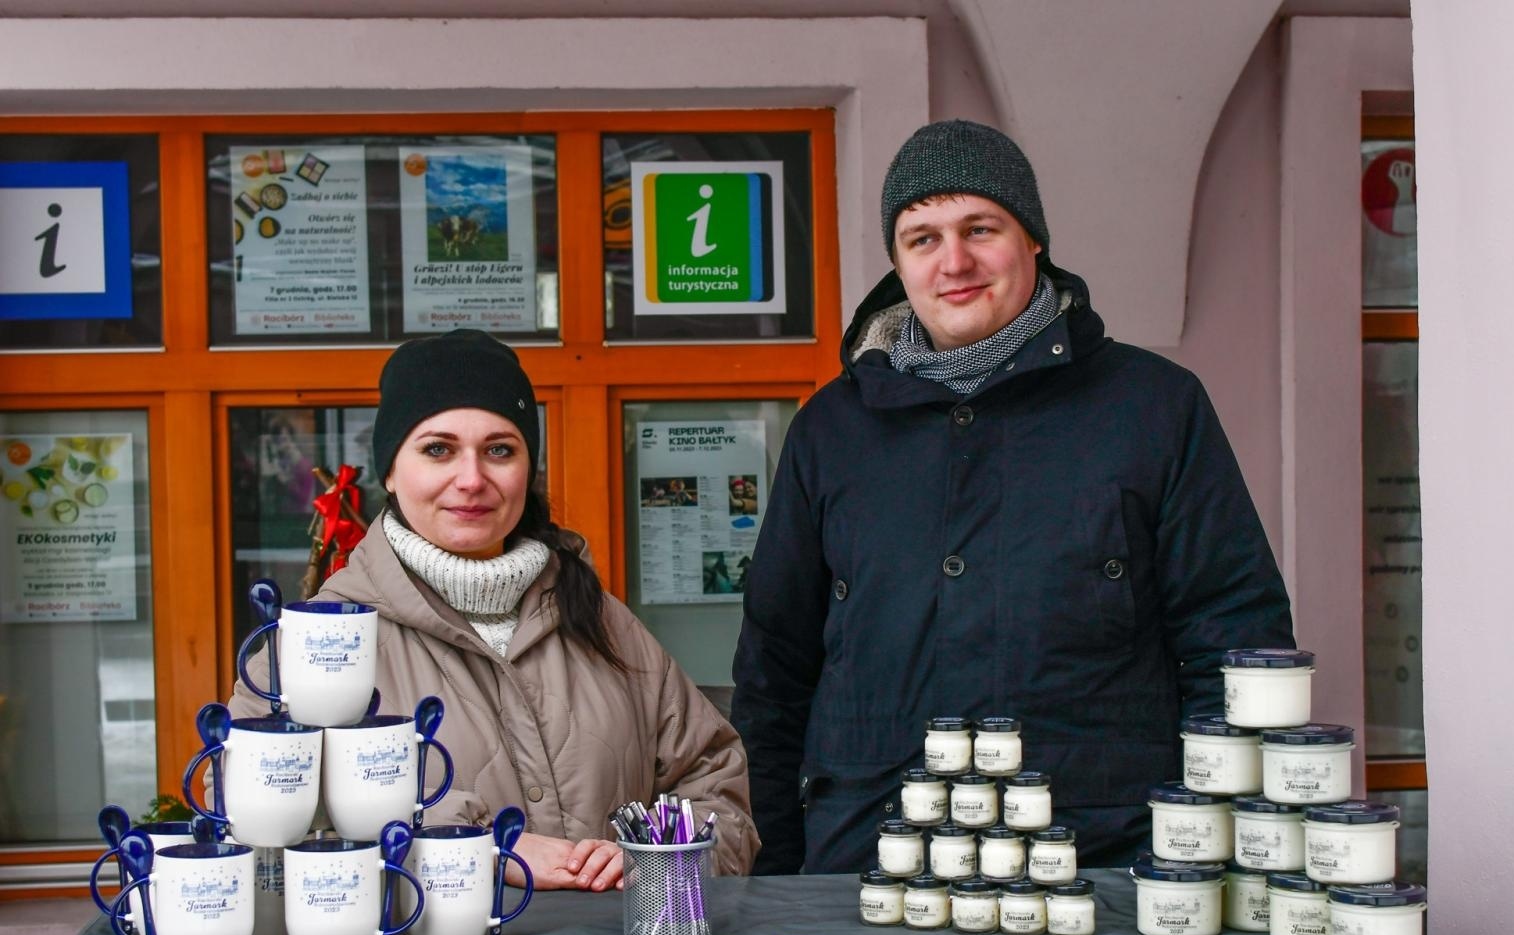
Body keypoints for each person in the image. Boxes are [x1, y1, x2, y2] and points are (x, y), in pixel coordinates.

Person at [731, 120, 1294, 875]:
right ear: (897, 263)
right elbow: (775, 668)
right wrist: (780, 871)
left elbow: (1232, 641)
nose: (953, 261)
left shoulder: (1152, 408)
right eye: (921, 237)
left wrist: (1205, 853)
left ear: (1033, 239)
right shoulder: (832, 430)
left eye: (980, 228)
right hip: (867, 861)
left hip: (1100, 865)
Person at [231, 329, 759, 888]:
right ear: (389, 471)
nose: (472, 479)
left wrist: (657, 862)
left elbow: (715, 784)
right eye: (438, 449)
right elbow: (263, 828)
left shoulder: (601, 620)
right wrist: (475, 848)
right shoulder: (312, 646)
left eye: (499, 450)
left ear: (528, 469)